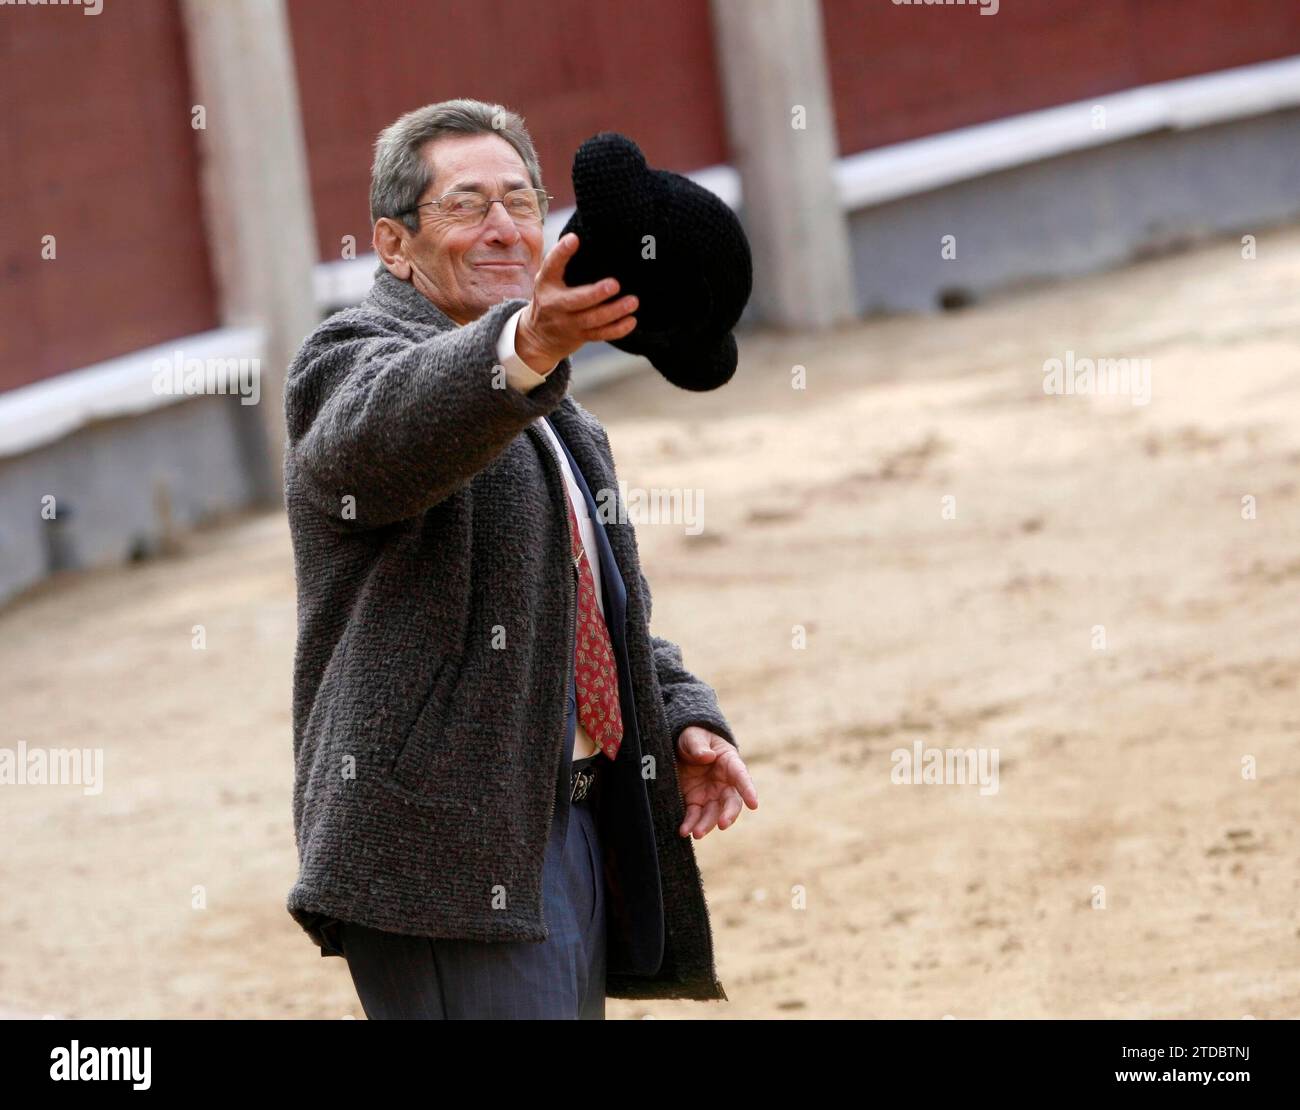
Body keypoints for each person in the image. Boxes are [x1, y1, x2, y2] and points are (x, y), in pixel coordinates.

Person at [283, 98, 758, 1018]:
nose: (504, 228)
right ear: (393, 243)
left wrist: (680, 718)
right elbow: (375, 444)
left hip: (573, 821)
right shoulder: (347, 359)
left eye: (521, 201)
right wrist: (526, 345)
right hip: (444, 842)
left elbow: (601, 610)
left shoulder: (558, 410)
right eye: (466, 205)